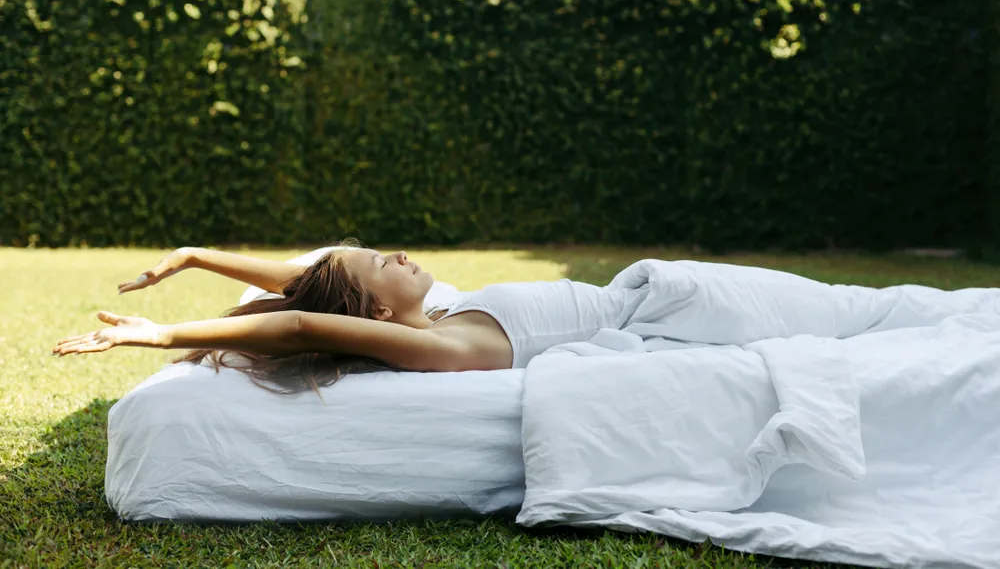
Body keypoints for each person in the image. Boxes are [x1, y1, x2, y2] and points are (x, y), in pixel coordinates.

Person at [54, 240, 647, 393]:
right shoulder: (440, 345)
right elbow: (302, 323)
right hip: (661, 311)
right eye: (382, 261)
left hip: (652, 292)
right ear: (378, 312)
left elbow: (311, 289)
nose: (400, 255)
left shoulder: (441, 311)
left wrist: (193, 257)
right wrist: (162, 334)